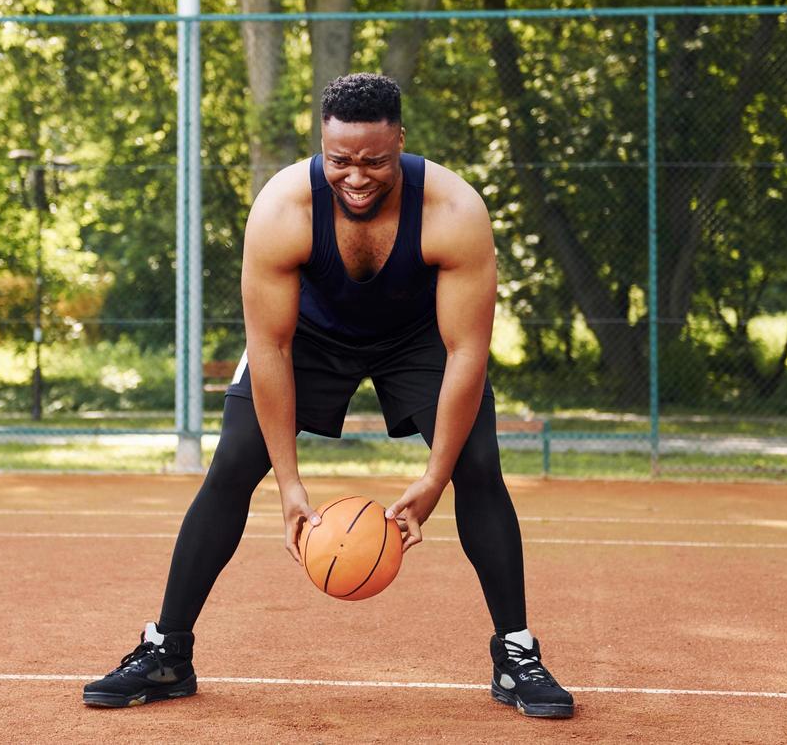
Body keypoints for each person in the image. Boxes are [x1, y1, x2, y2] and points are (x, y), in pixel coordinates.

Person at [82, 73, 574, 719]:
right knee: (231, 465)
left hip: (419, 338)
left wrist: (433, 479)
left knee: (479, 466)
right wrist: (289, 484)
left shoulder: (454, 212)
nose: (357, 176)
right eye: (339, 160)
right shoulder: (283, 209)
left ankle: (515, 656)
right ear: (322, 145)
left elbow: (465, 356)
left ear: (400, 140)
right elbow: (271, 349)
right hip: (309, 336)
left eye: (374, 160)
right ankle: (166, 651)